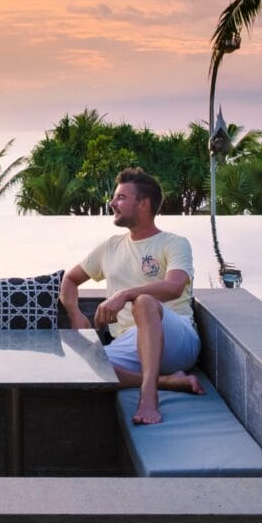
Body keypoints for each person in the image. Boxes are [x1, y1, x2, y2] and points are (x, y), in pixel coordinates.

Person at [61, 167, 203, 426]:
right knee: (81, 366)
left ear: (144, 204)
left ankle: (149, 396)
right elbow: (69, 280)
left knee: (144, 302)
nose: (112, 203)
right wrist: (75, 314)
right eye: (115, 198)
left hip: (175, 336)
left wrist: (125, 295)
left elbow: (174, 286)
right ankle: (167, 381)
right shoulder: (110, 247)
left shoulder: (174, 243)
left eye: (121, 198)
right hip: (129, 342)